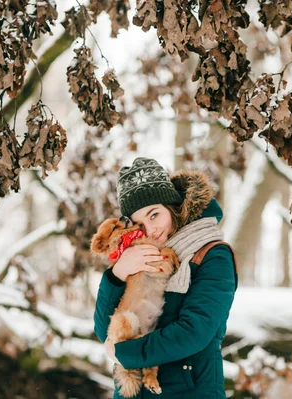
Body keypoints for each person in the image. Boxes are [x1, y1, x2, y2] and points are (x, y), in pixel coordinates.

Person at [93, 157, 238, 398]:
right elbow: (105, 330)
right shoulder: (136, 255)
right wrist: (118, 273)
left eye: (154, 215)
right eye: (139, 222)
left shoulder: (213, 254)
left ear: (171, 206)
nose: (150, 230)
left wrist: (125, 354)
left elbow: (193, 332)